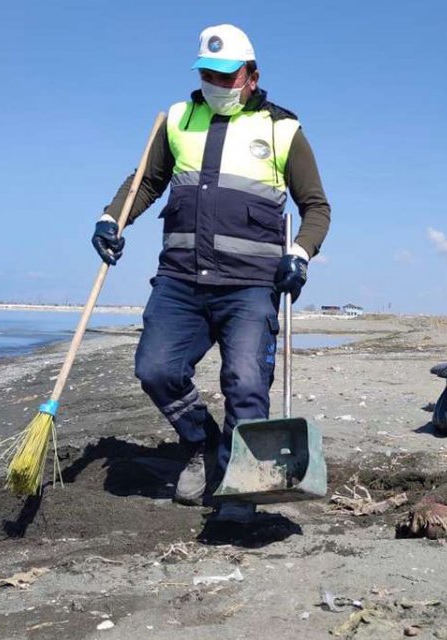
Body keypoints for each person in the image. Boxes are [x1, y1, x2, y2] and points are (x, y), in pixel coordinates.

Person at [91, 24, 331, 522]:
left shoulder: (281, 129)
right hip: (180, 281)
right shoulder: (178, 119)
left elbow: (316, 207)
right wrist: (112, 218)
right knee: (156, 370)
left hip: (250, 288)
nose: (217, 84)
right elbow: (144, 182)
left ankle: (242, 494)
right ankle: (206, 445)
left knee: (245, 383)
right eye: (207, 74)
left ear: (252, 75)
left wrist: (301, 254)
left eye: (227, 75)